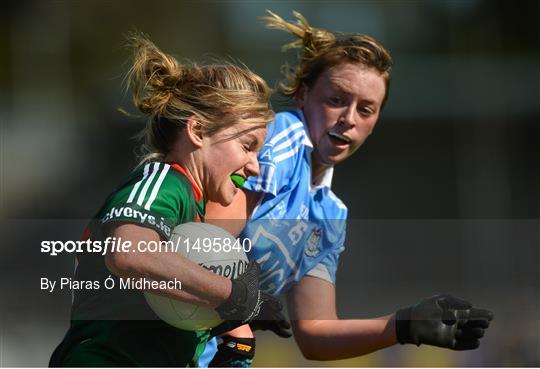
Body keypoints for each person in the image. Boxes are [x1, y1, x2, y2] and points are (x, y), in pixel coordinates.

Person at [201, 11, 493, 366]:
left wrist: (403, 326)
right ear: (302, 95)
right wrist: (241, 306)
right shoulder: (280, 140)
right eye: (337, 99)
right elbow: (202, 244)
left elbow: (315, 335)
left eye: (365, 109)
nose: (349, 118)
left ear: (375, 122)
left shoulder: (329, 213)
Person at [49, 33, 288, 367]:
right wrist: (234, 295)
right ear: (198, 131)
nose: (254, 166)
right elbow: (129, 253)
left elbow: (172, 306)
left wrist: (235, 340)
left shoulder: (192, 212)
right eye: (247, 146)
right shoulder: (163, 182)